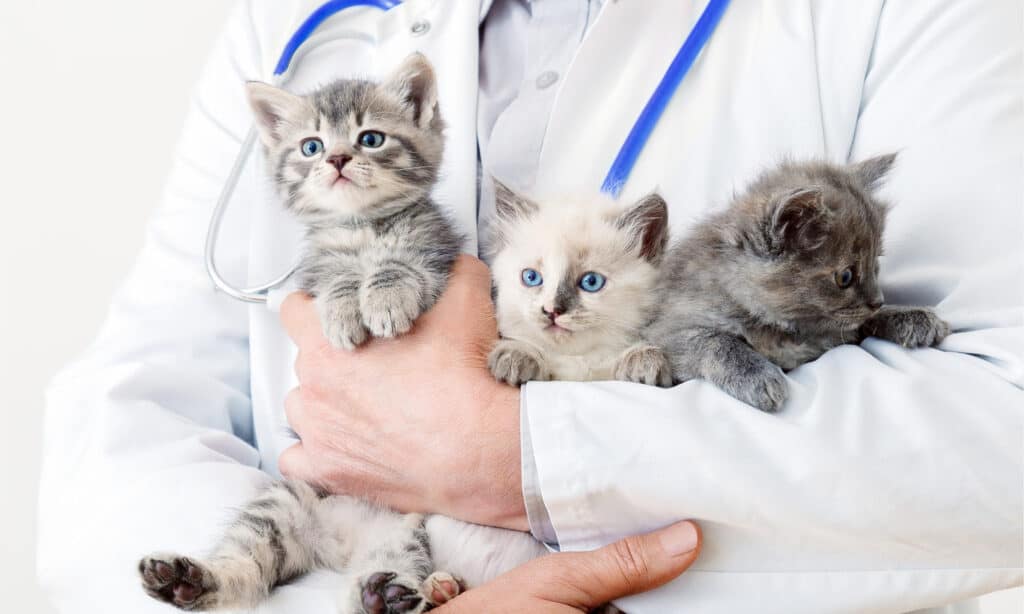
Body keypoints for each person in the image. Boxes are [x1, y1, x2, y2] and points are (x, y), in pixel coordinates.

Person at [38, 1, 1022, 612]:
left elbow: (1002, 435)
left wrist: (518, 450)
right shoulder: (292, 22)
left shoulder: (910, 14)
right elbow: (134, 420)